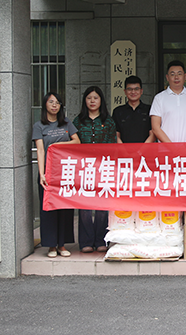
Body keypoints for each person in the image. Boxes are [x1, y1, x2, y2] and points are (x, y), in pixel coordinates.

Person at [32, 92, 80, 258]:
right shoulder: (39, 126)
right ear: (45, 104)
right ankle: (51, 246)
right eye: (51, 102)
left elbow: (77, 141)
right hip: (48, 173)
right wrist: (41, 173)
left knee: (65, 208)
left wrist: (58, 144)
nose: (54, 105)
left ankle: (62, 245)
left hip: (65, 172)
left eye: (57, 103)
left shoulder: (66, 123)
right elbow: (40, 150)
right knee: (48, 208)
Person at [73, 86, 117, 253]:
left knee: (102, 207)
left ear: (101, 101)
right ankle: (86, 241)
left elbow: (112, 145)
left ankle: (101, 240)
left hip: (103, 167)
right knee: (84, 206)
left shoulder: (109, 121)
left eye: (95, 98)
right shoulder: (78, 121)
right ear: (85, 100)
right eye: (89, 98)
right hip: (83, 168)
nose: (92, 101)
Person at [150, 60, 186, 142]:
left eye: (179, 74)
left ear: (185, 76)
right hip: (165, 148)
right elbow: (155, 127)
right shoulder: (159, 98)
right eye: (172, 74)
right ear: (167, 77)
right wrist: (171, 146)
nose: (176, 77)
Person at [112, 75, 155, 143]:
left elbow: (152, 133)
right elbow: (116, 135)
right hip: (123, 149)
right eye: (129, 89)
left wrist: (143, 149)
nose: (133, 92)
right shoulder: (118, 111)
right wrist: (123, 149)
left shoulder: (150, 110)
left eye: (136, 89)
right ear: (125, 91)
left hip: (145, 149)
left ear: (141, 91)